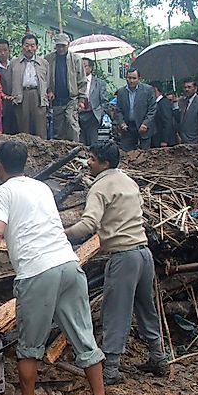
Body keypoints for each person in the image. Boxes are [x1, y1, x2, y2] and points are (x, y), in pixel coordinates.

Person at [0, 141, 114, 395]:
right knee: (85, 340)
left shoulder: (2, 192)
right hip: (69, 265)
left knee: (30, 347)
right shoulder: (41, 187)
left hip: (37, 272)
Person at [66, 141, 167, 382]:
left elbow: (88, 225)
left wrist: (62, 233)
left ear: (105, 163)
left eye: (92, 158)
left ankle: (110, 368)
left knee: (115, 310)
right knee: (145, 306)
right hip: (144, 254)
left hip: (123, 255)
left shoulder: (100, 187)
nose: (88, 162)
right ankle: (159, 357)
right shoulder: (127, 181)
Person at [47, 33, 87, 142]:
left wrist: (81, 99)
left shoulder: (76, 59)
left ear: (68, 45)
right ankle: (61, 152)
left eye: (63, 46)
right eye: (58, 45)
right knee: (58, 128)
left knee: (71, 122)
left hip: (72, 98)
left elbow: (82, 80)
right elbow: (45, 78)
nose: (60, 48)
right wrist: (49, 90)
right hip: (56, 99)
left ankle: (76, 149)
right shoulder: (49, 59)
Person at [10, 34, 50, 139]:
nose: (29, 49)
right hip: (21, 95)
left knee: (41, 127)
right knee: (23, 127)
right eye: (26, 45)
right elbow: (10, 81)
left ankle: (43, 149)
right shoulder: (14, 63)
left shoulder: (43, 63)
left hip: (38, 94)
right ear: (22, 46)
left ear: (36, 47)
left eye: (32, 46)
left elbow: (48, 80)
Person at [114, 69, 156, 151]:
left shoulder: (148, 90)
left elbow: (152, 108)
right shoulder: (121, 92)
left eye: (134, 78)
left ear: (138, 78)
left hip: (143, 127)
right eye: (129, 78)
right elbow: (118, 110)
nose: (131, 81)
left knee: (144, 154)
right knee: (126, 154)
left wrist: (146, 124)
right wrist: (121, 123)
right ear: (126, 78)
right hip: (127, 128)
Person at [78, 58, 109, 146]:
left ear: (90, 68)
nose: (81, 69)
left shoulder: (99, 83)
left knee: (93, 142)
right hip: (79, 115)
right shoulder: (75, 82)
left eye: (84, 66)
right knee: (80, 143)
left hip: (93, 115)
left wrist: (99, 113)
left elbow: (105, 102)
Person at [0, 39, 18, 134]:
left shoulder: (15, 65)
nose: (3, 53)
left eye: (5, 50)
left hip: (15, 102)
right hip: (1, 104)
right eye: (0, 51)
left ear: (9, 50)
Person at [150, 81, 176, 147]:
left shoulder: (164, 103)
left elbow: (167, 122)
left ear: (155, 90)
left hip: (164, 141)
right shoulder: (156, 104)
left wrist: (164, 140)